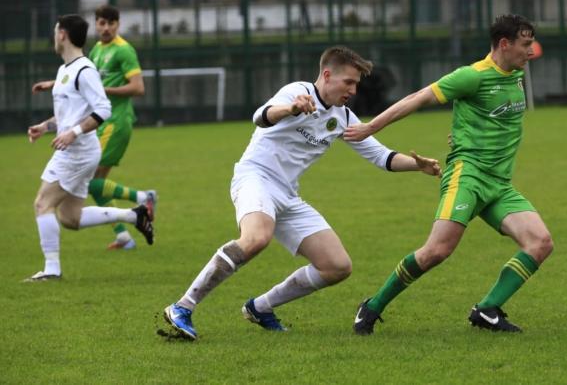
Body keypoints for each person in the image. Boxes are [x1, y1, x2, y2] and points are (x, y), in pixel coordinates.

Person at [162, 46, 441, 341]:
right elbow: (261, 116)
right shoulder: (298, 91)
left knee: (337, 266)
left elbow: (381, 157)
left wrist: (417, 165)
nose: (353, 89)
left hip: (287, 194)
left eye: (357, 84)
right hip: (255, 177)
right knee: (256, 238)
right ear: (327, 74)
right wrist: (291, 109)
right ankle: (182, 307)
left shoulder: (344, 118)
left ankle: (261, 307)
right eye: (348, 82)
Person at [345, 14, 554, 334]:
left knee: (540, 243)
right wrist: (371, 127)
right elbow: (419, 97)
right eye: (525, 45)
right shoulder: (472, 76)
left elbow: (485, 118)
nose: (531, 51)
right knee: (436, 251)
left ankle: (487, 309)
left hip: (499, 184)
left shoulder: (514, 74)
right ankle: (371, 307)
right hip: (467, 178)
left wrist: (463, 131)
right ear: (504, 44)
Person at [25, 15, 155, 282]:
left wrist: (73, 133)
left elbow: (103, 109)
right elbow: (69, 116)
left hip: (77, 152)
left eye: (54, 32)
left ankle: (51, 270)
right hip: (76, 150)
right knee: (70, 219)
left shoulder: (85, 70)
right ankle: (134, 215)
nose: (53, 37)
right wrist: (46, 127)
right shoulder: (64, 71)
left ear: (62, 34)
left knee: (42, 203)